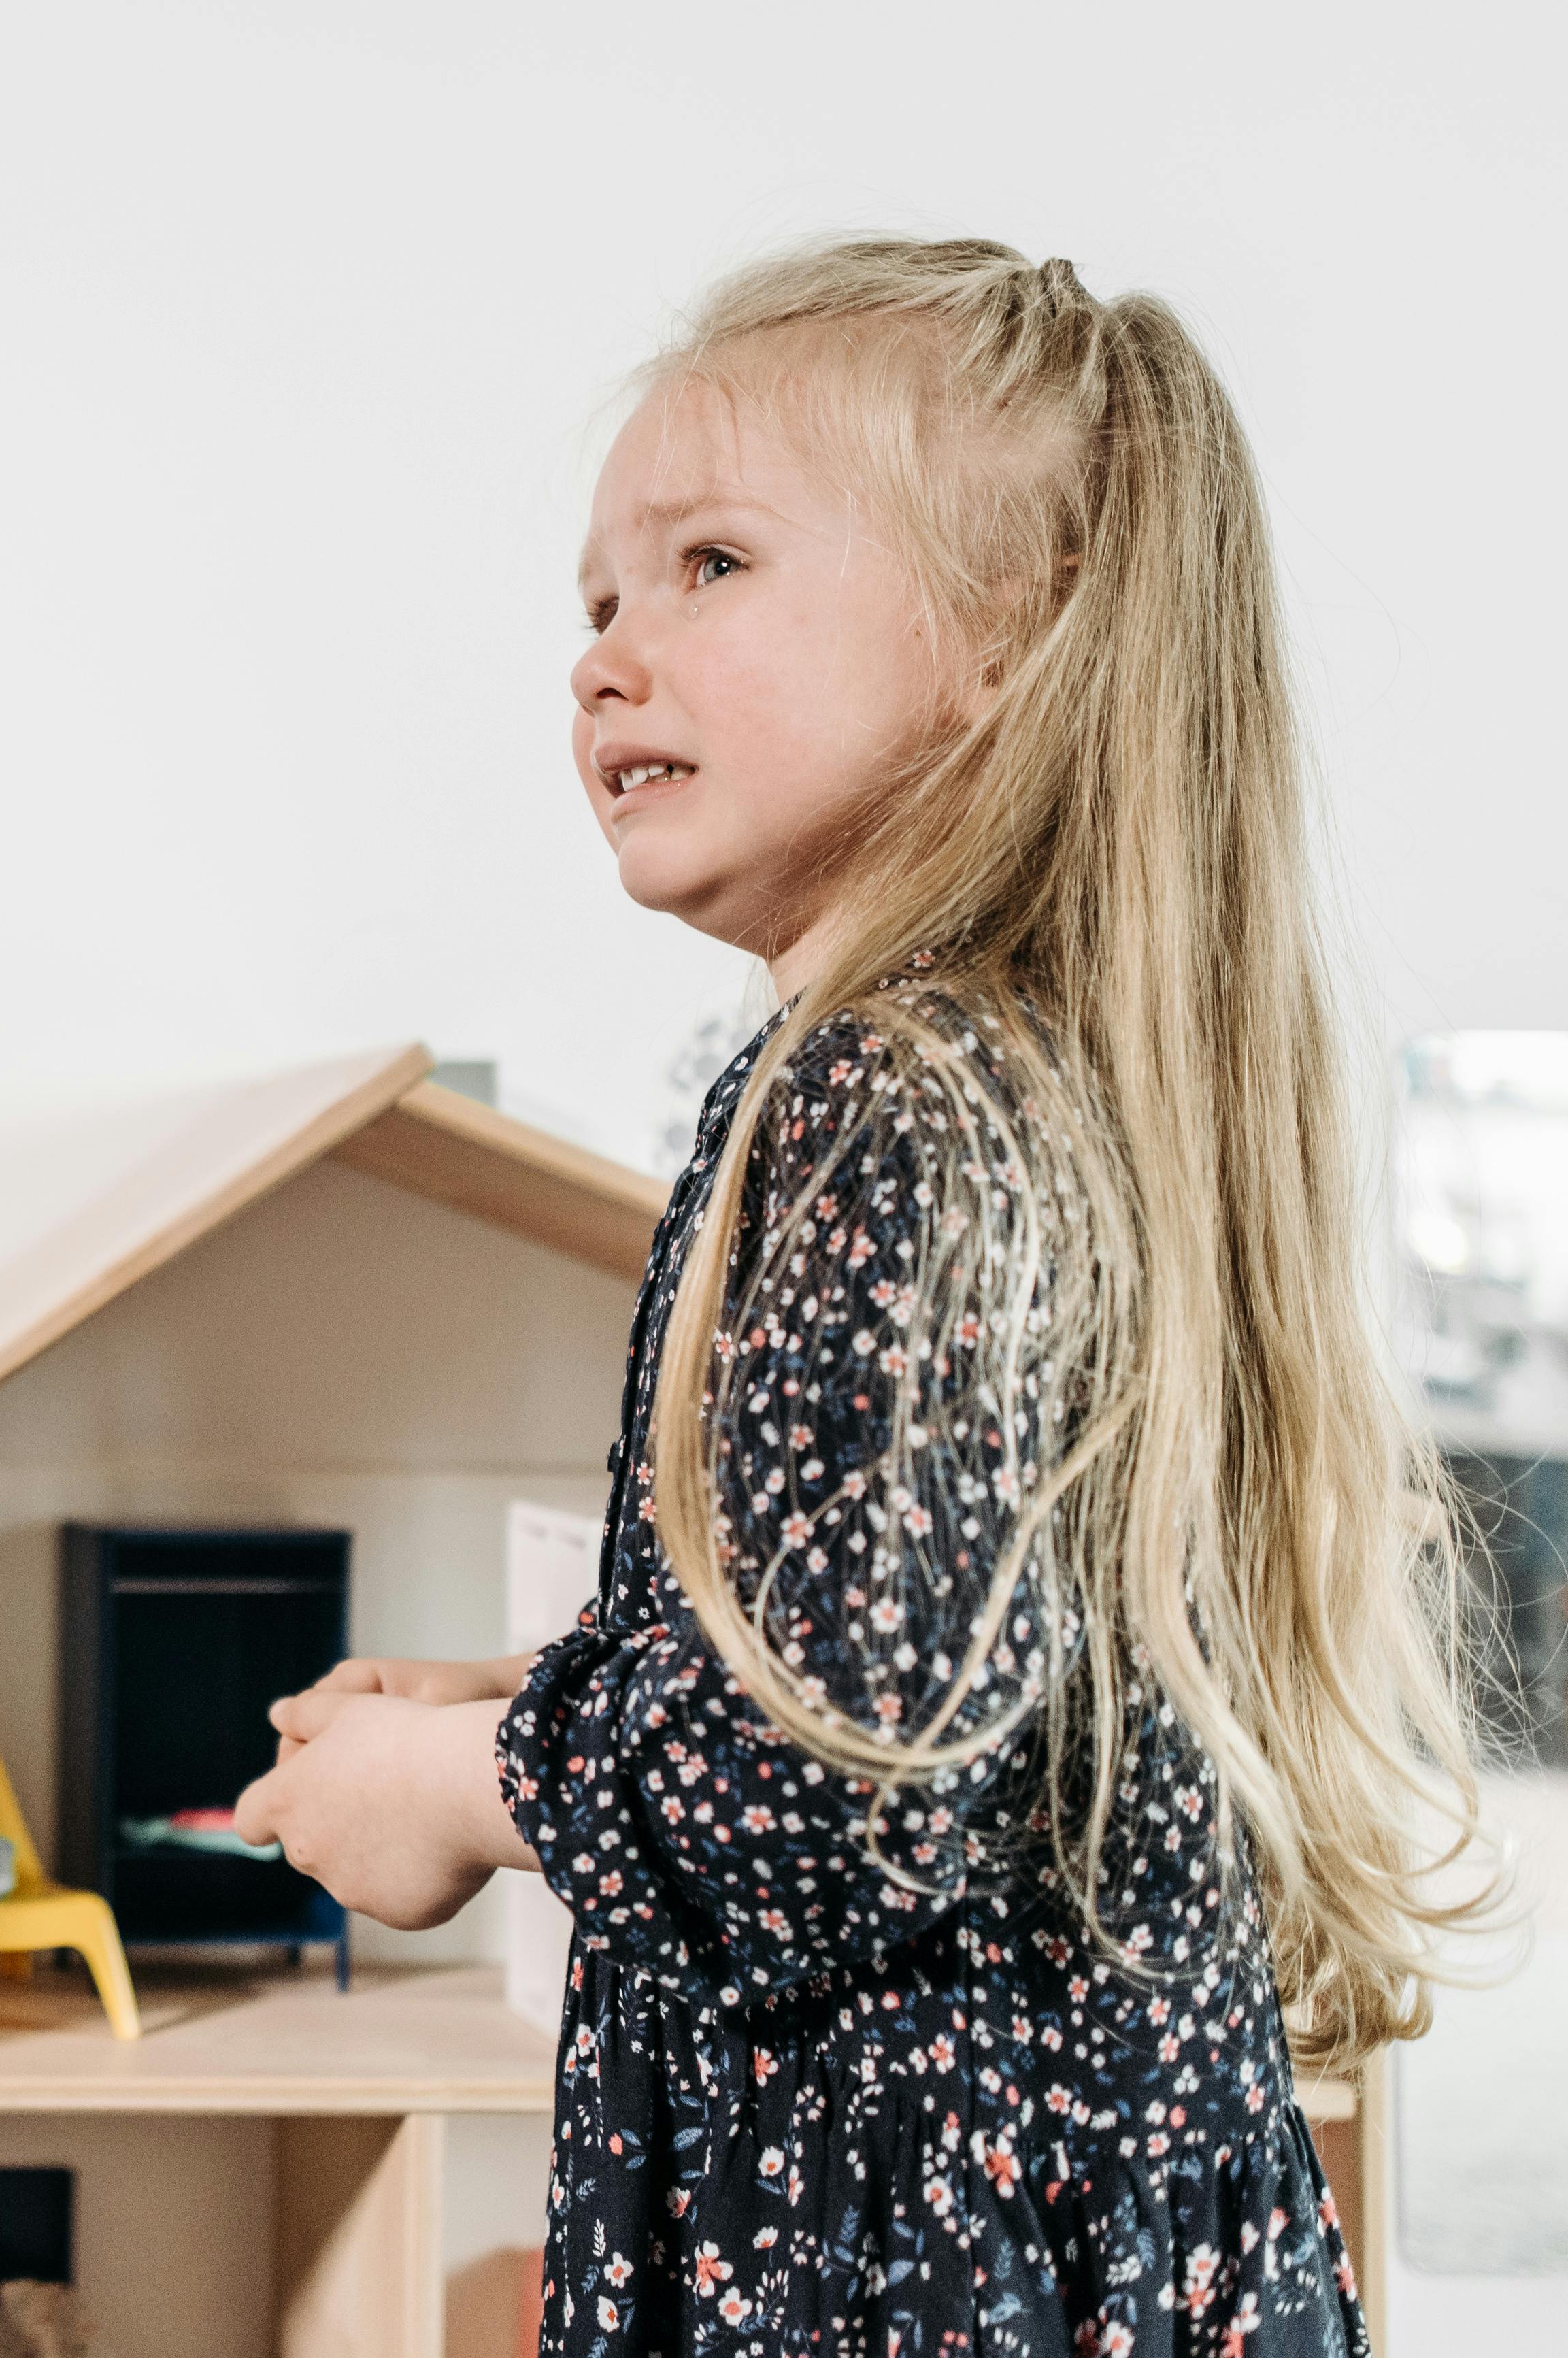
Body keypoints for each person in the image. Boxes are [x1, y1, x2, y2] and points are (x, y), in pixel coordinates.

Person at [231, 238, 1493, 2357]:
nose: (610, 654)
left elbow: (871, 1760)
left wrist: (469, 1794)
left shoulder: (901, 1096)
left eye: (708, 563)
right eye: (598, 599)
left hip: (909, 2269)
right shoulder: (1010, 1078)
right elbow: (945, 1660)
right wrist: (563, 1685)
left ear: (1011, 633)